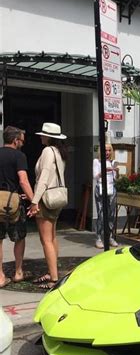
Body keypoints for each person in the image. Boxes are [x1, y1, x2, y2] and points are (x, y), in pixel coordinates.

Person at [29, 123, 68, 289]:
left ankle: (53, 278)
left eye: (43, 134)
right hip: (57, 198)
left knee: (46, 240)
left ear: (49, 137)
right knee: (52, 237)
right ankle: (53, 272)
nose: (40, 137)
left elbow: (44, 177)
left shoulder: (47, 151)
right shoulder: (59, 152)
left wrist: (34, 200)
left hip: (46, 199)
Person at [0, 126, 35, 287]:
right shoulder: (19, 156)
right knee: (19, 237)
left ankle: (0, 276)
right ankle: (18, 272)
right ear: (15, 140)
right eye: (21, 140)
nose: (22, 143)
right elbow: (23, 180)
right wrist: (33, 200)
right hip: (14, 202)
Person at [93, 143, 119, 249]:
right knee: (101, 213)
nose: (107, 153)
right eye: (105, 150)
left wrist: (117, 171)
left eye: (109, 150)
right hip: (101, 188)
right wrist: (104, 171)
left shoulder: (113, 162)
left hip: (112, 189)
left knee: (112, 214)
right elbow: (95, 176)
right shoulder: (97, 161)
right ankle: (98, 238)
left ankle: (110, 237)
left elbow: (116, 179)